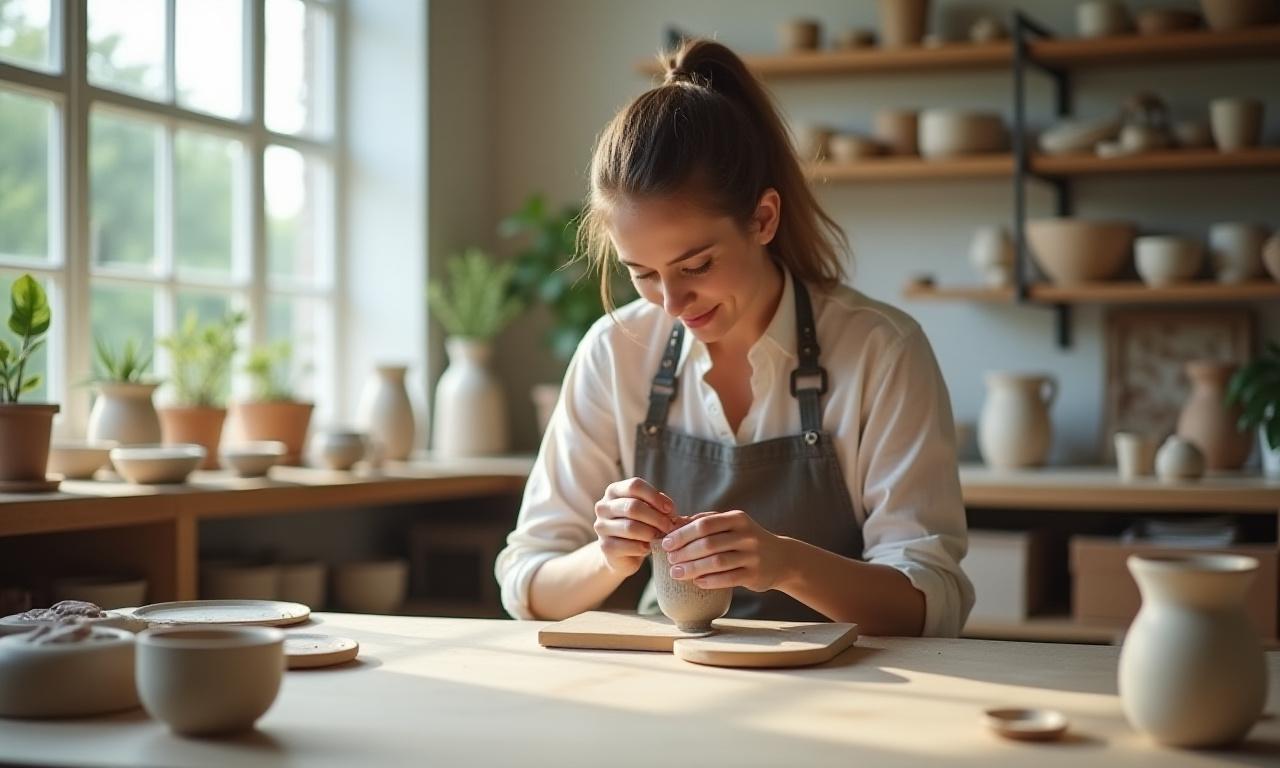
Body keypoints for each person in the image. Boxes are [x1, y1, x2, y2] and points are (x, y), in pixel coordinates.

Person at [495, 38, 973, 636]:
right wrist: (607, 558)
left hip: (851, 690)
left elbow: (931, 603)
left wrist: (787, 564)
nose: (670, 302)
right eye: (641, 272)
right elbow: (527, 585)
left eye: (696, 266)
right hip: (677, 687)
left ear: (763, 219)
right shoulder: (614, 352)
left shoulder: (881, 350)